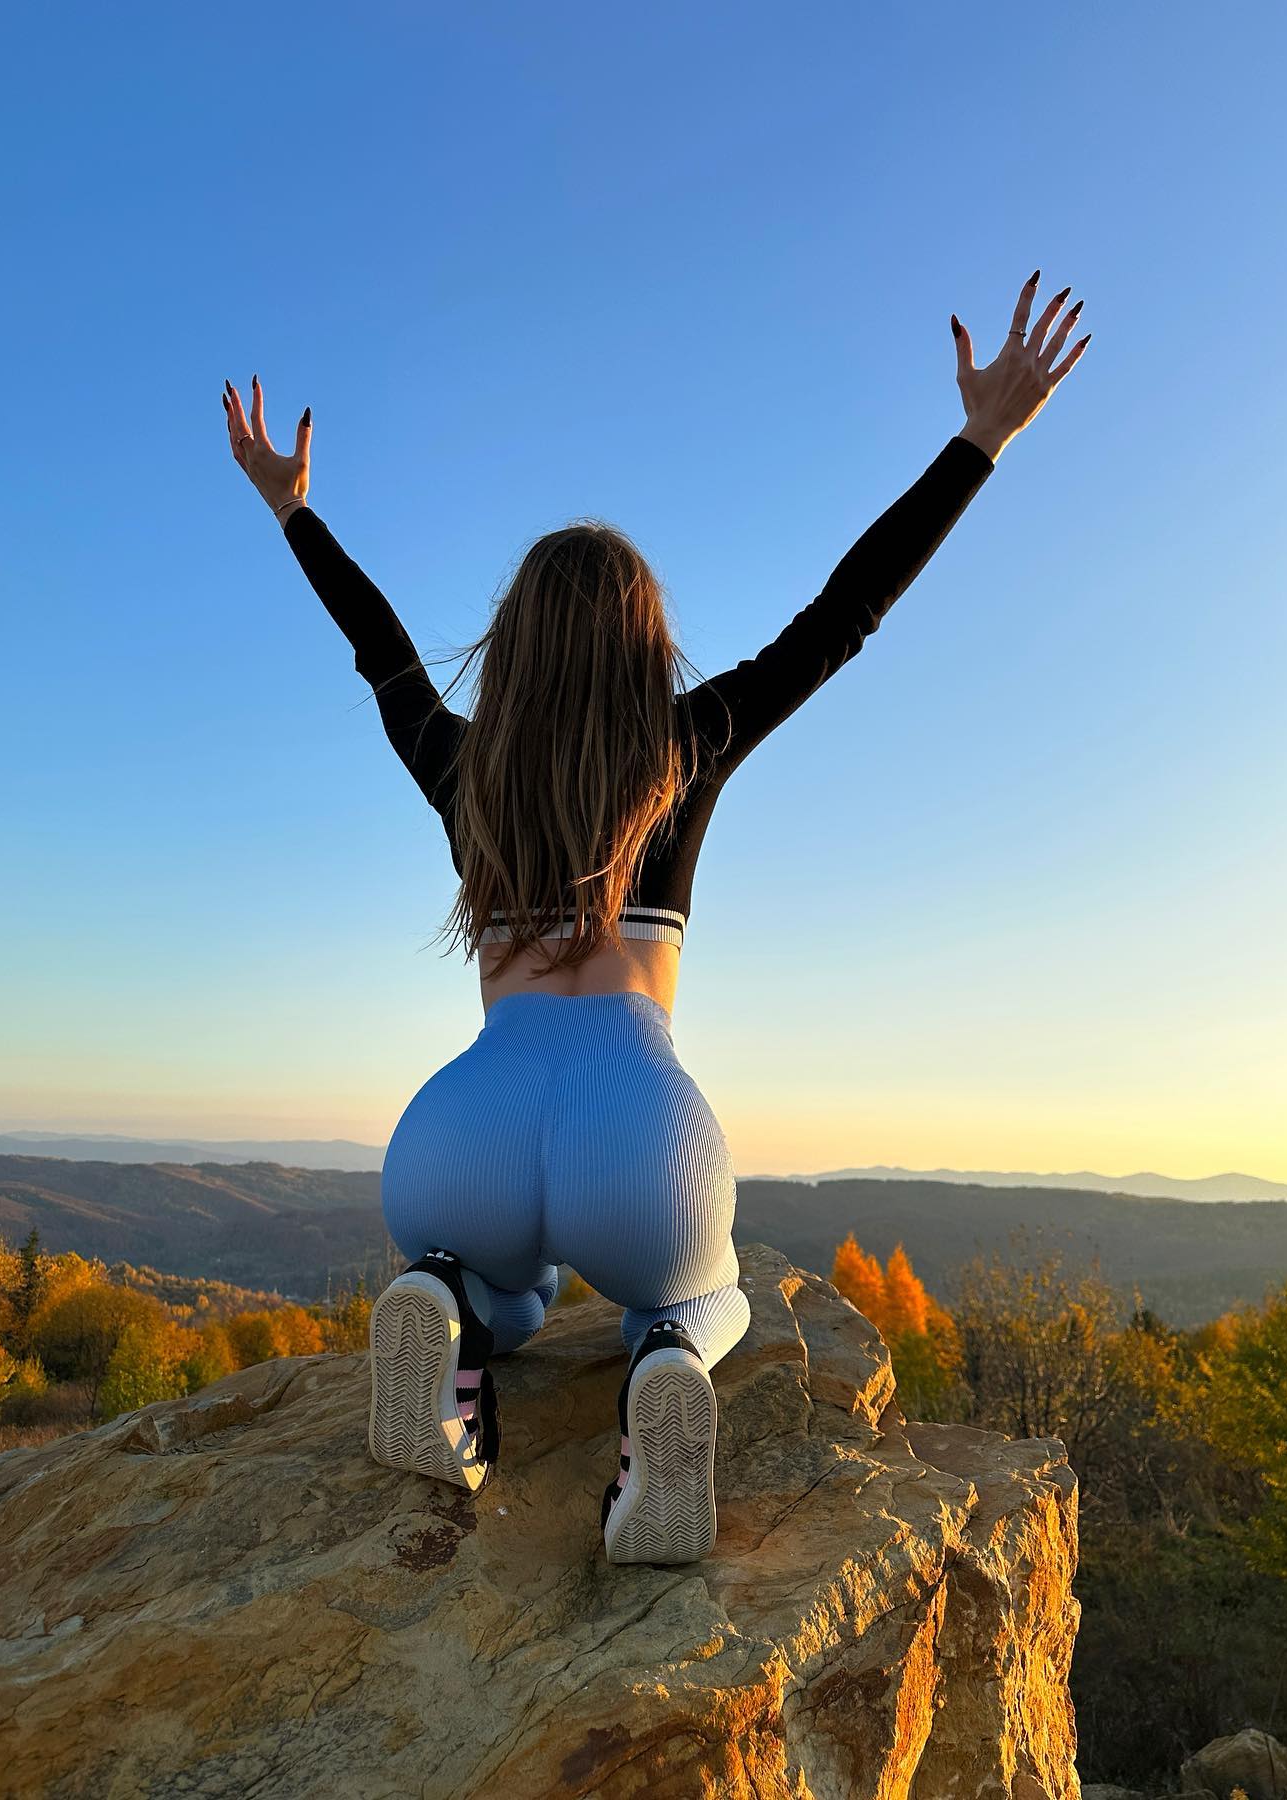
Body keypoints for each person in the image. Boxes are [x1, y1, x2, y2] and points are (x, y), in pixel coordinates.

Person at [221, 270, 1091, 1565]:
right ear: (648, 648)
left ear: (509, 650)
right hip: (643, 1136)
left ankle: (449, 1304)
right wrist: (979, 442)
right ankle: (667, 1366)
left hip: (458, 1139)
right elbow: (841, 618)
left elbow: (380, 648)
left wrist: (295, 511)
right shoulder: (687, 748)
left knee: (505, 1284)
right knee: (706, 1289)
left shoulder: (465, 771)